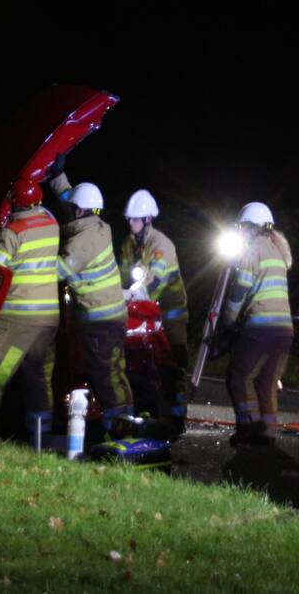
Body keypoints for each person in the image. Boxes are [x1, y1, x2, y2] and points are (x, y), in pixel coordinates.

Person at [0, 178, 59, 438]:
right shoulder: (51, 224)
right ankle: (41, 431)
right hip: (48, 316)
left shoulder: (13, 232)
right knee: (37, 374)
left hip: (20, 315)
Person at [54, 177, 136, 437]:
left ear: (78, 211)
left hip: (100, 319)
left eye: (71, 209)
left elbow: (59, 271)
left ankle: (117, 424)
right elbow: (74, 200)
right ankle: (125, 419)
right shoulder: (99, 227)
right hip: (111, 315)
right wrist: (58, 179)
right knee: (114, 371)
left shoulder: (82, 242)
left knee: (104, 373)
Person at [218, 202, 294, 447]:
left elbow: (239, 292)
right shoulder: (277, 252)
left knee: (238, 375)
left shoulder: (252, 252)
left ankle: (247, 426)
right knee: (266, 381)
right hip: (284, 332)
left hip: (261, 328)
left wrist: (228, 322)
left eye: (242, 227)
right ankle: (267, 434)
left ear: (251, 228)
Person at [118, 188, 190, 439]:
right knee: (139, 362)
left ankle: (177, 416)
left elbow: (153, 284)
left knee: (173, 365)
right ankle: (145, 408)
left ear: (148, 219)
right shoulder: (129, 244)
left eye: (135, 219)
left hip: (170, 314)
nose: (130, 223)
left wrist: (127, 295)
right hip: (141, 313)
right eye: (128, 219)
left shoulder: (161, 245)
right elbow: (124, 275)